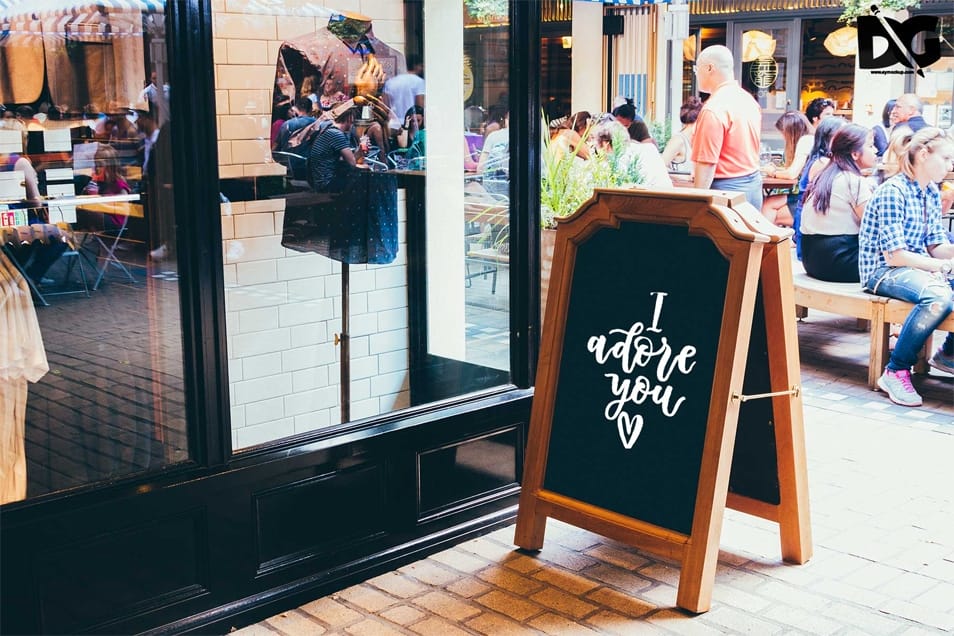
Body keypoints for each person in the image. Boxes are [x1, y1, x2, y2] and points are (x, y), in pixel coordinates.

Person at [858, 127, 954, 407]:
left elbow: (936, 244)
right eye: (947, 158)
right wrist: (943, 266)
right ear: (924, 154)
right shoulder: (893, 191)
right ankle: (896, 369)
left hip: (913, 269)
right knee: (938, 296)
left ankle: (948, 353)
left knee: (939, 292)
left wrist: (946, 259)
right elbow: (895, 256)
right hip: (881, 272)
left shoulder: (931, 194)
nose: (951, 165)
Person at [799, 124, 876, 282]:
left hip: (812, 260)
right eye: (870, 145)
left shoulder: (824, 175)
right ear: (855, 154)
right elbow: (874, 225)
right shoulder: (853, 181)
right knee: (898, 261)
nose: (876, 150)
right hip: (839, 263)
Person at [691, 45, 763, 210]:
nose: (697, 74)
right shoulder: (748, 100)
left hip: (726, 190)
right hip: (753, 186)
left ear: (709, 68)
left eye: (697, 68)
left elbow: (707, 163)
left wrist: (695, 205)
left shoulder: (714, 108)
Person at [761, 110, 814, 224]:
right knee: (767, 205)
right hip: (808, 193)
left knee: (767, 209)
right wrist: (777, 169)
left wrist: (773, 172)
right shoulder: (810, 139)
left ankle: (767, 240)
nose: (782, 136)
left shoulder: (806, 141)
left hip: (807, 197)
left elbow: (791, 174)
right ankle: (770, 239)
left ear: (791, 131)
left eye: (783, 132)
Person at [591, 120, 673, 190]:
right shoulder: (649, 149)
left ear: (606, 144)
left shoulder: (620, 159)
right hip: (669, 200)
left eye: (597, 149)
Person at [308, 104, 368, 193]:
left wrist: (360, 151)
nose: (353, 125)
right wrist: (361, 148)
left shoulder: (329, 129)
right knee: (366, 177)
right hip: (327, 184)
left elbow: (347, 161)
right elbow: (352, 163)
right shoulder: (336, 134)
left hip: (321, 180)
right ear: (350, 118)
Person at [383, 54, 425, 140]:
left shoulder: (390, 82)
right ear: (415, 66)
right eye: (421, 65)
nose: (423, 68)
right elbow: (419, 107)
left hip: (393, 125)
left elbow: (385, 107)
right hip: (412, 125)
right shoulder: (419, 82)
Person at [661, 96, 703, 175]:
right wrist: (683, 177)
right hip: (679, 185)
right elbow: (661, 167)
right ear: (698, 120)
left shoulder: (698, 140)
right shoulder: (678, 140)